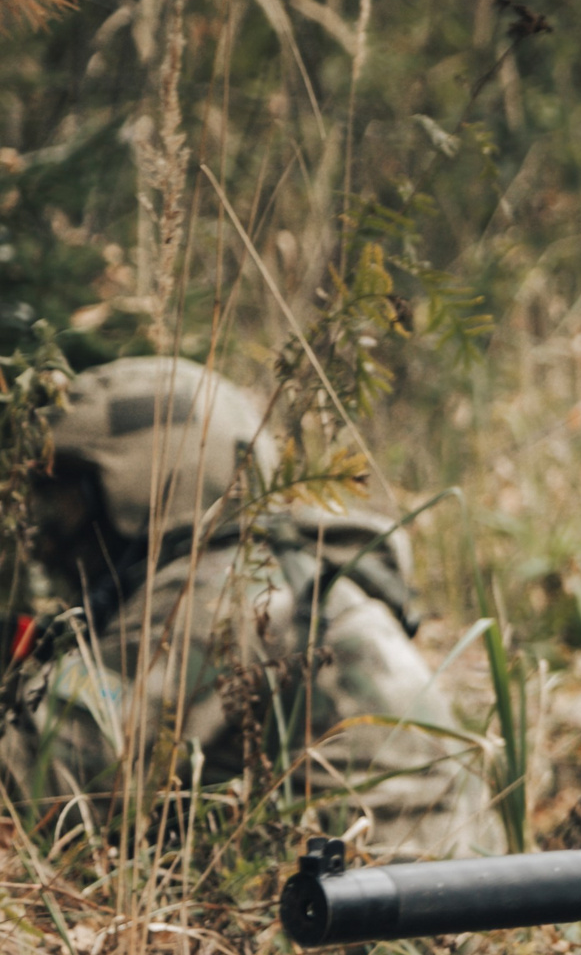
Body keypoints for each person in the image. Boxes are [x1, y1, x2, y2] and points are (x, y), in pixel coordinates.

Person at [4, 356, 495, 856]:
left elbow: (46, 781)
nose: (47, 530)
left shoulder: (217, 594)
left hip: (372, 891)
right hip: (436, 883)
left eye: (66, 497)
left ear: (139, 486)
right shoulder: (283, 573)